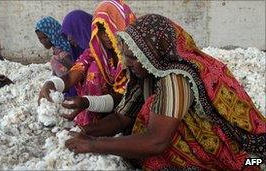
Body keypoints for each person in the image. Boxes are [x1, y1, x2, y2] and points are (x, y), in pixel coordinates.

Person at [64, 14, 266, 170]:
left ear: (153, 54)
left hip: (233, 151)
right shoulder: (145, 72)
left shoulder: (176, 77)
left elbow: (156, 141)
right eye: (125, 56)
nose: (127, 63)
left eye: (134, 57)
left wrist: (94, 145)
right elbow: (121, 117)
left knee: (247, 164)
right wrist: (84, 133)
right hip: (200, 144)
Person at [39, 0, 136, 126]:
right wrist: (53, 84)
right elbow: (76, 70)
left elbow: (122, 96)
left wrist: (88, 102)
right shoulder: (96, 51)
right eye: (100, 30)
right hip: (99, 104)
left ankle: (100, 123)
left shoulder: (133, 58)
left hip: (126, 108)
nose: (105, 36)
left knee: (95, 70)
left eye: (109, 28)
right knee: (93, 67)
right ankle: (92, 120)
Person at [35, 16, 77, 97]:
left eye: (45, 38)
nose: (42, 41)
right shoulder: (56, 46)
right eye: (40, 38)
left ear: (52, 33)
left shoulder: (63, 49)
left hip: (70, 84)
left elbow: (74, 68)